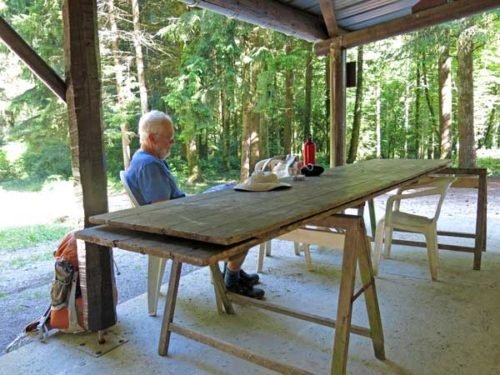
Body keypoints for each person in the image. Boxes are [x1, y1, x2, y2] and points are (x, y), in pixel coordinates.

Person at [125, 110, 264, 299]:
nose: (173, 142)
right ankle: (231, 278)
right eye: (169, 138)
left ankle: (234, 271)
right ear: (151, 138)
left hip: (184, 213)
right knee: (244, 221)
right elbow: (163, 211)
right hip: (181, 226)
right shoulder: (149, 166)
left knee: (231, 190)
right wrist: (204, 208)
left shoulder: (144, 158)